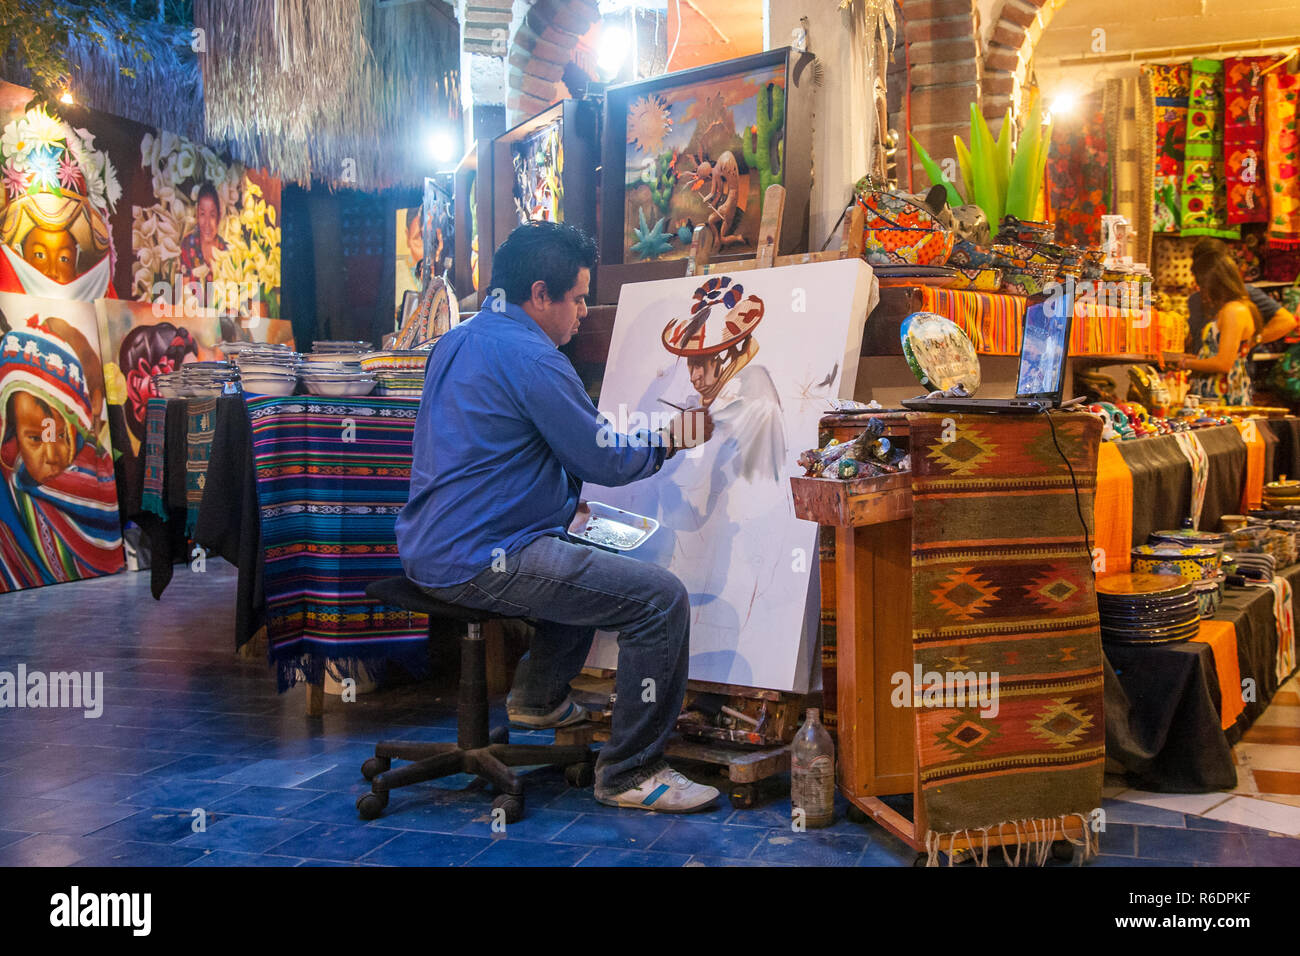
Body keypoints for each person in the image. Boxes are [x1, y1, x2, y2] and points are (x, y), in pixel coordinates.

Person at [396, 221, 722, 812]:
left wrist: (557, 498)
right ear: (539, 294)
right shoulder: (534, 358)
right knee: (659, 600)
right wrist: (669, 441)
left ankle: (538, 699)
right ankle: (631, 773)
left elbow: (484, 448)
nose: (582, 313)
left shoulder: (459, 340)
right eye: (575, 298)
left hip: (428, 547)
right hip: (480, 558)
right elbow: (600, 454)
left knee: (584, 556)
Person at [1169, 244, 1266, 405]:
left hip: (1223, 398)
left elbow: (1223, 363)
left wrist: (1185, 363)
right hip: (1216, 394)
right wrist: (1189, 358)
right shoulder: (1231, 309)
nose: (1199, 289)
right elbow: (1216, 355)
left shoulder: (1233, 311)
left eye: (1201, 284)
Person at [1185, 238, 1296, 348]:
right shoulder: (1195, 299)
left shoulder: (1243, 294)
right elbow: (1195, 338)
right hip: (1202, 363)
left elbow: (1287, 321)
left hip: (1231, 364)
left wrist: (1253, 341)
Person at [177, 181, 228, 289]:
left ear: (219, 217)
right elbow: (181, 292)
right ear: (197, 216)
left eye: (212, 215)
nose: (207, 223)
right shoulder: (188, 243)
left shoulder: (226, 251)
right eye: (202, 214)